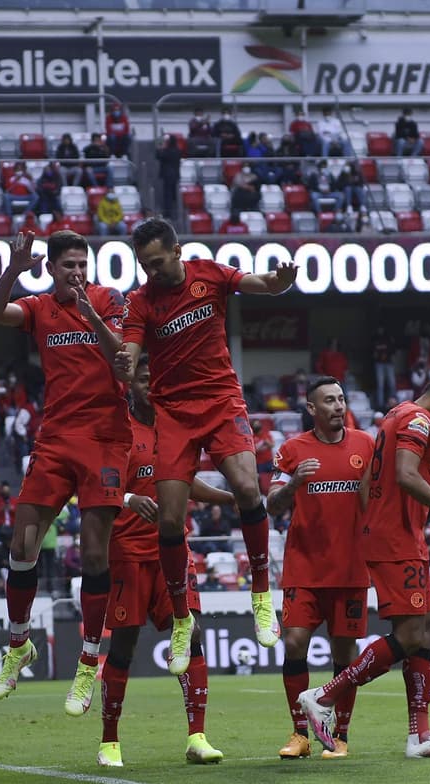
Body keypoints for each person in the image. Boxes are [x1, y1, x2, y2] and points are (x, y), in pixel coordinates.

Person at [113, 217, 297, 673]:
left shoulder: (210, 274)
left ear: (177, 252)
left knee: (248, 490)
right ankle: (181, 617)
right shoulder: (140, 301)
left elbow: (260, 283)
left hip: (220, 401)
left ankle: (260, 593)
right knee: (171, 520)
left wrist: (279, 284)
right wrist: (126, 358)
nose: (150, 272)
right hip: (172, 413)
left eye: (156, 263)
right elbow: (132, 347)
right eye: (143, 265)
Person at [0, 230, 132, 714]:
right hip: (56, 438)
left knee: (92, 554)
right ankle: (19, 644)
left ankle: (88, 664)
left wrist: (89, 310)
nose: (77, 272)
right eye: (68, 265)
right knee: (22, 544)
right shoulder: (40, 307)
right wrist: (11, 270)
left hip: (106, 440)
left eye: (82, 264)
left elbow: (123, 364)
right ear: (51, 268)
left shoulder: (109, 300)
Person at [296, 373, 430, 759]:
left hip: (398, 535)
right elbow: (405, 474)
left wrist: (373, 524)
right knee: (411, 634)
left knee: (426, 628)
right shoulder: (419, 419)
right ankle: (325, 695)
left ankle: (420, 736)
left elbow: (366, 485)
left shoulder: (395, 415)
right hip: (396, 539)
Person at [97, 355, 230, 767]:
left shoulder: (177, 429)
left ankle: (198, 737)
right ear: (129, 384)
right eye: (142, 378)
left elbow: (188, 482)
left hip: (173, 551)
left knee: (191, 633)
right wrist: (127, 500)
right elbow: (90, 488)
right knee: (125, 644)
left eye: (155, 379)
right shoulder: (116, 429)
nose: (149, 386)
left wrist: (239, 500)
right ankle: (110, 741)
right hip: (127, 555)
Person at [267, 377, 375, 760]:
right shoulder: (292, 450)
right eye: (329, 400)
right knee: (294, 642)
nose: (338, 406)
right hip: (304, 568)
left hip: (350, 569)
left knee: (345, 654)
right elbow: (272, 506)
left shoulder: (366, 445)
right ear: (311, 408)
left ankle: (339, 735)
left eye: (341, 399)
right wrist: (295, 482)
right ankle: (300, 733)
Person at [155, 133, 182, 221]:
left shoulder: (168, 151)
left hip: (168, 175)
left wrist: (159, 147)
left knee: (168, 195)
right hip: (175, 175)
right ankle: (173, 213)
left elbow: (158, 156)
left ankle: (168, 214)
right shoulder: (177, 150)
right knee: (173, 195)